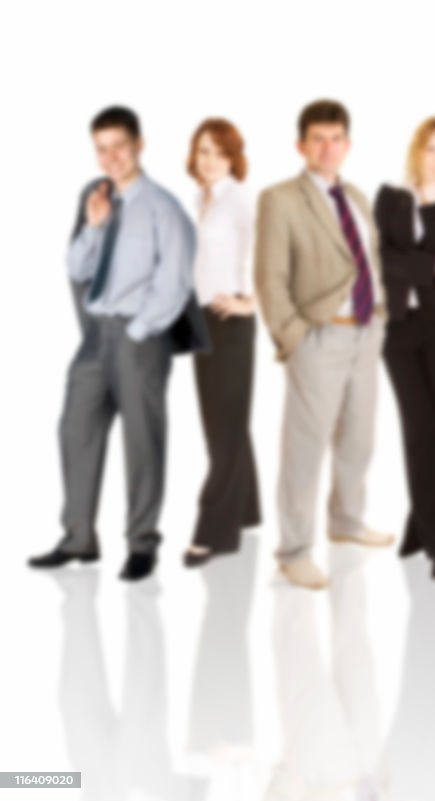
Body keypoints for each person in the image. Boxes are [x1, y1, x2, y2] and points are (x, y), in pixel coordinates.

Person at [29, 106, 206, 581]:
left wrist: (138, 330)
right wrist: (94, 226)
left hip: (139, 337)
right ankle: (79, 538)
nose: (110, 157)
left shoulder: (163, 208)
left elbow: (174, 282)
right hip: (95, 336)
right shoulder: (98, 198)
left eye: (119, 146)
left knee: (142, 441)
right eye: (101, 148)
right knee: (74, 431)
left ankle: (142, 544)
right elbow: (76, 270)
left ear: (139, 145)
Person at [254, 99, 392, 591]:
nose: (327, 147)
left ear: (347, 144)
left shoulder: (354, 194)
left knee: (359, 436)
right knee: (305, 447)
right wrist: (294, 338)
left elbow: (367, 262)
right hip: (320, 335)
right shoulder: (281, 199)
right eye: (318, 138)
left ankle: (347, 521)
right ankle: (293, 551)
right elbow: (270, 277)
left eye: (336, 138)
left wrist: (378, 316)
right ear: (301, 145)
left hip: (365, 332)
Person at [375, 117, 435, 580]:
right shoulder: (390, 201)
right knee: (419, 430)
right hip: (399, 329)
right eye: (432, 149)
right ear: (418, 151)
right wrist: (426, 263)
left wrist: (422, 258)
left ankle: (429, 529)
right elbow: (382, 261)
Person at [183, 118, 262, 568]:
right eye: (203, 151)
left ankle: (215, 533)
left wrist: (252, 302)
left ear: (233, 158)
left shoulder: (239, 198)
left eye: (219, 152)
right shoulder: (202, 198)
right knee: (222, 424)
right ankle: (247, 511)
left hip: (229, 323)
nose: (210, 160)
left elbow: (276, 250)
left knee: (225, 429)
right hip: (202, 322)